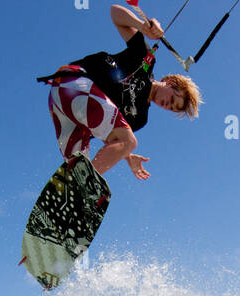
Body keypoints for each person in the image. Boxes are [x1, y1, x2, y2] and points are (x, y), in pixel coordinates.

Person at [37, 3, 201, 180]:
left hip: (65, 110)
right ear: (169, 82)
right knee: (129, 142)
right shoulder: (145, 59)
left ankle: (72, 195)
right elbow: (115, 12)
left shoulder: (140, 119)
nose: (167, 105)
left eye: (171, 108)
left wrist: (127, 156)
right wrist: (142, 26)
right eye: (172, 99)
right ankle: (82, 186)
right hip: (73, 83)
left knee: (78, 169)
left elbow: (109, 133)